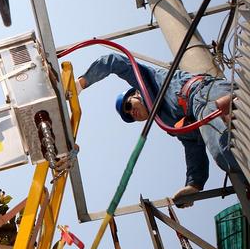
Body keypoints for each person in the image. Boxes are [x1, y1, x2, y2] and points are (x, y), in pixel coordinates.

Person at [76, 53, 241, 207]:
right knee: (223, 156)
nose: (131, 112)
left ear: (136, 93)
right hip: (200, 111)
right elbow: (193, 146)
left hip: (203, 93)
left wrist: (81, 84)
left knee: (225, 147)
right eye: (130, 116)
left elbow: (115, 61)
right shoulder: (169, 122)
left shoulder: (148, 81)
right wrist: (194, 184)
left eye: (128, 105)